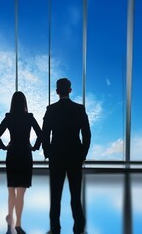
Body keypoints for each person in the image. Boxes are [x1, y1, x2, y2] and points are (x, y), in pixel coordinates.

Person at [42, 78, 91, 234]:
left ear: (57, 91)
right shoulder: (79, 109)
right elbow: (87, 135)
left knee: (55, 196)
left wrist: (48, 152)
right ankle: (79, 228)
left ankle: (55, 228)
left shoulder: (51, 110)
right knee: (76, 195)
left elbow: (45, 134)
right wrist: (82, 154)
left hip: (56, 157)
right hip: (75, 157)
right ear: (70, 90)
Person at [0, 91, 42, 234]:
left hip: (12, 154)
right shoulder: (29, 117)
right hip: (25, 155)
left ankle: (10, 220)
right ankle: (18, 225)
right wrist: (34, 147)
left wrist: (4, 146)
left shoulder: (9, 118)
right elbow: (41, 134)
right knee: (21, 192)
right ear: (25, 103)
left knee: (11, 190)